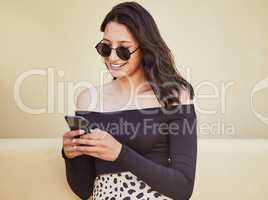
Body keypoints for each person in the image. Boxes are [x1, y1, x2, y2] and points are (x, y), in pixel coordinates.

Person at [62, 2, 198, 200]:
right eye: (106, 48)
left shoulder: (176, 96)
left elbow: (183, 188)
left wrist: (119, 153)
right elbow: (84, 190)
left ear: (144, 48)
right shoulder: (88, 99)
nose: (112, 57)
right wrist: (71, 156)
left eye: (124, 50)